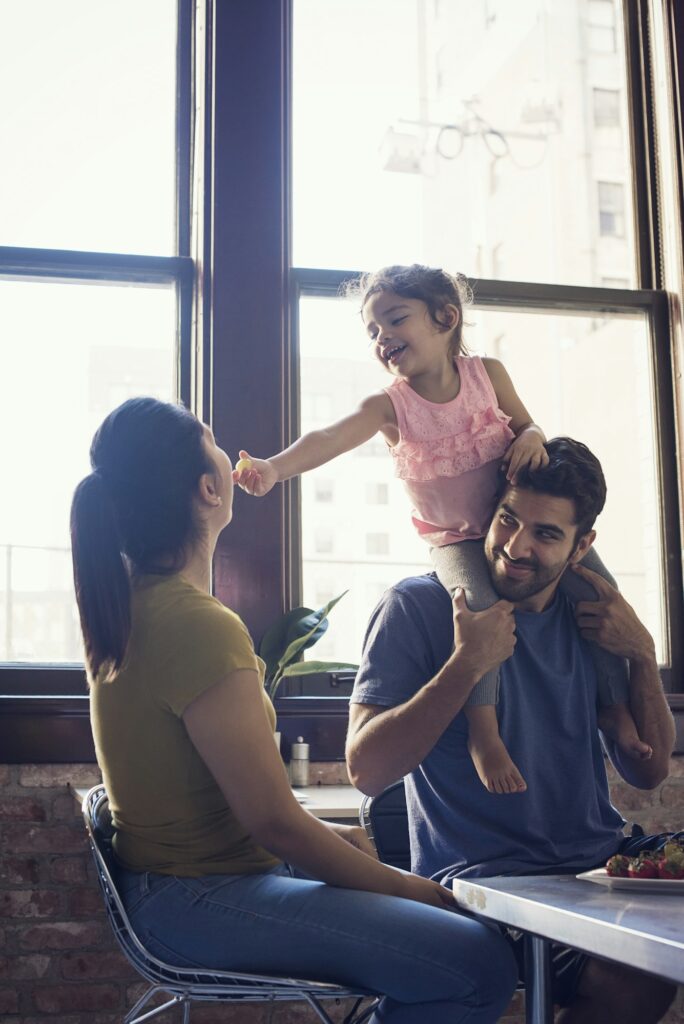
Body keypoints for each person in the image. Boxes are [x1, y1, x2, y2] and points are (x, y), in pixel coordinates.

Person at [69, 396, 519, 1024]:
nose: (231, 456)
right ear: (208, 488)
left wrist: (353, 852)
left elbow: (237, 817)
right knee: (478, 963)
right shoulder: (195, 625)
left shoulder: (135, 608)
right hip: (195, 900)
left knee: (424, 927)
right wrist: (422, 893)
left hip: (187, 888)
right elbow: (275, 824)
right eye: (215, 441)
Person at [233, 263, 647, 795]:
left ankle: (614, 708)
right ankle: (484, 733)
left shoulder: (488, 375)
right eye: (372, 332)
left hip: (506, 526)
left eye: (395, 320)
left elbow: (528, 424)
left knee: (604, 594)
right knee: (479, 613)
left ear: (446, 318)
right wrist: (272, 468)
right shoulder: (390, 408)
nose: (382, 338)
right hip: (456, 540)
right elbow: (329, 437)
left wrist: (534, 437)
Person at [346, 437, 679, 1023]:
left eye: (546, 534)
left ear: (583, 547)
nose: (516, 546)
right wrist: (465, 665)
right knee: (634, 979)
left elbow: (647, 771)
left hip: (596, 867)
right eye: (507, 520)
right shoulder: (417, 608)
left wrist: (642, 653)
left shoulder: (595, 622)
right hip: (480, 886)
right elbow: (366, 770)